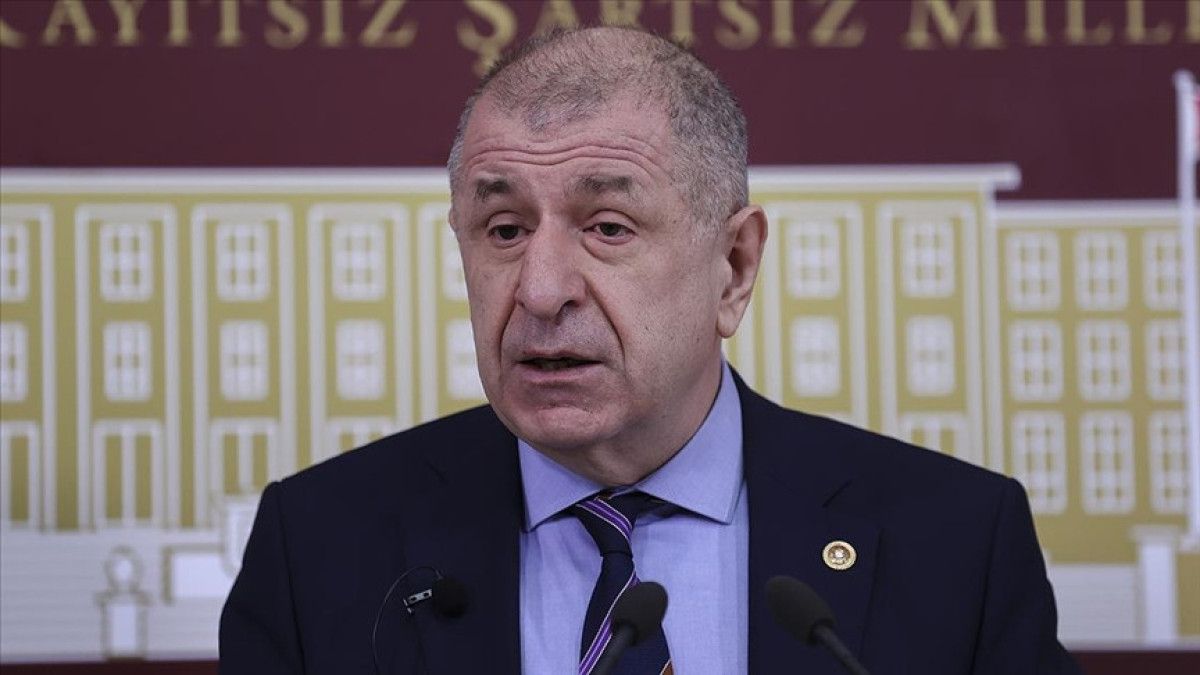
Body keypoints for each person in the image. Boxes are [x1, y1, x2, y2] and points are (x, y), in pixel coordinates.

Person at [220, 26, 1079, 674]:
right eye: (504, 228)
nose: (540, 289)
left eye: (607, 226)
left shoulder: (956, 544)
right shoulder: (320, 547)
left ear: (733, 267)